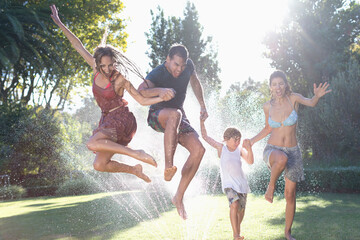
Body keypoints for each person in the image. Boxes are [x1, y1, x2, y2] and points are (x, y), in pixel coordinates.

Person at [50, 5, 175, 183]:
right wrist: (60, 23)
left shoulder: (120, 79)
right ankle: (134, 169)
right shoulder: (95, 71)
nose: (108, 69)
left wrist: (160, 97)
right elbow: (77, 45)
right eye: (104, 66)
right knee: (99, 165)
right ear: (98, 64)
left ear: (114, 63)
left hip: (122, 119)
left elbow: (140, 99)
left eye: (111, 65)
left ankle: (136, 153)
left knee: (91, 143)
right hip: (107, 119)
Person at [249, 70, 331, 240]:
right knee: (281, 158)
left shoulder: (293, 98)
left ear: (285, 84)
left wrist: (316, 96)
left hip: (293, 151)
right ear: (270, 87)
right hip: (273, 149)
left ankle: (287, 232)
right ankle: (270, 187)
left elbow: (311, 102)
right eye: (274, 84)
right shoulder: (267, 106)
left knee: (290, 194)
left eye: (280, 83)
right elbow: (268, 128)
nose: (277, 87)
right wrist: (251, 141)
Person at [137, 44, 208, 219]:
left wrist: (202, 105)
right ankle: (168, 166)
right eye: (176, 64)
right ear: (168, 59)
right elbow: (141, 91)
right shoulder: (158, 73)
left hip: (178, 117)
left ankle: (178, 196)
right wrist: (160, 91)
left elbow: (195, 82)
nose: (179, 69)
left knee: (199, 150)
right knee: (174, 114)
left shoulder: (188, 66)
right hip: (157, 115)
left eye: (182, 65)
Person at [200, 119, 254, 240]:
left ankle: (237, 234)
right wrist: (202, 121)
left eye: (239, 139)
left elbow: (250, 161)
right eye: (235, 139)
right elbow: (205, 136)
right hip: (229, 185)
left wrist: (249, 148)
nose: (237, 142)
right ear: (226, 139)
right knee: (234, 204)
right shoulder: (221, 148)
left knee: (241, 210)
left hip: (242, 185)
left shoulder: (239, 150)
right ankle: (236, 235)